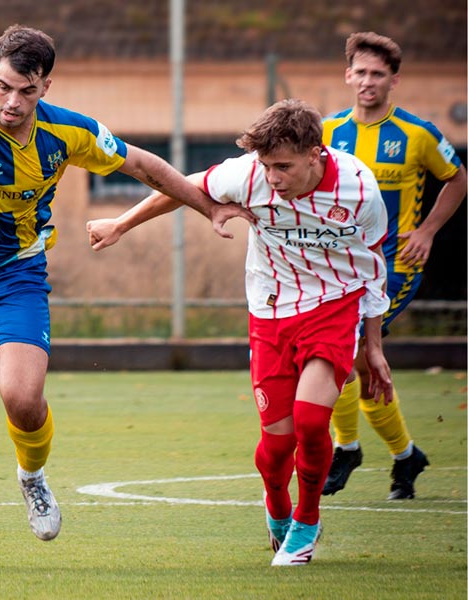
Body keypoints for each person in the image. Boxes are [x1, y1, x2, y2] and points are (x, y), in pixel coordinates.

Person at [0, 24, 244, 569]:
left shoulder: (70, 133)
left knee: (22, 398)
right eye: (2, 87)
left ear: (45, 86)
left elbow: (144, 166)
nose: (11, 103)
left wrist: (207, 207)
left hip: (17, 276)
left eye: (25, 90)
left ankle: (33, 475)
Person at [87, 99, 394, 566]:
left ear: (316, 154)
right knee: (275, 450)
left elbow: (373, 265)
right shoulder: (247, 174)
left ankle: (307, 523)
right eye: (267, 166)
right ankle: (278, 507)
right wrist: (121, 223)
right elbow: (179, 185)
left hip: (335, 306)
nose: (272, 178)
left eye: (284, 167)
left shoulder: (359, 188)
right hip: (270, 310)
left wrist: (373, 346)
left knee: (312, 422)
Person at [321, 32, 467, 500]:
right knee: (358, 363)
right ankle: (406, 458)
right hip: (339, 265)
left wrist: (426, 231)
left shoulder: (416, 133)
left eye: (377, 74)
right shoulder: (325, 132)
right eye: (360, 72)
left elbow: (458, 178)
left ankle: (346, 449)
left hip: (394, 265)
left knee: (344, 351)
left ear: (394, 80)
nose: (368, 81)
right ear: (348, 75)